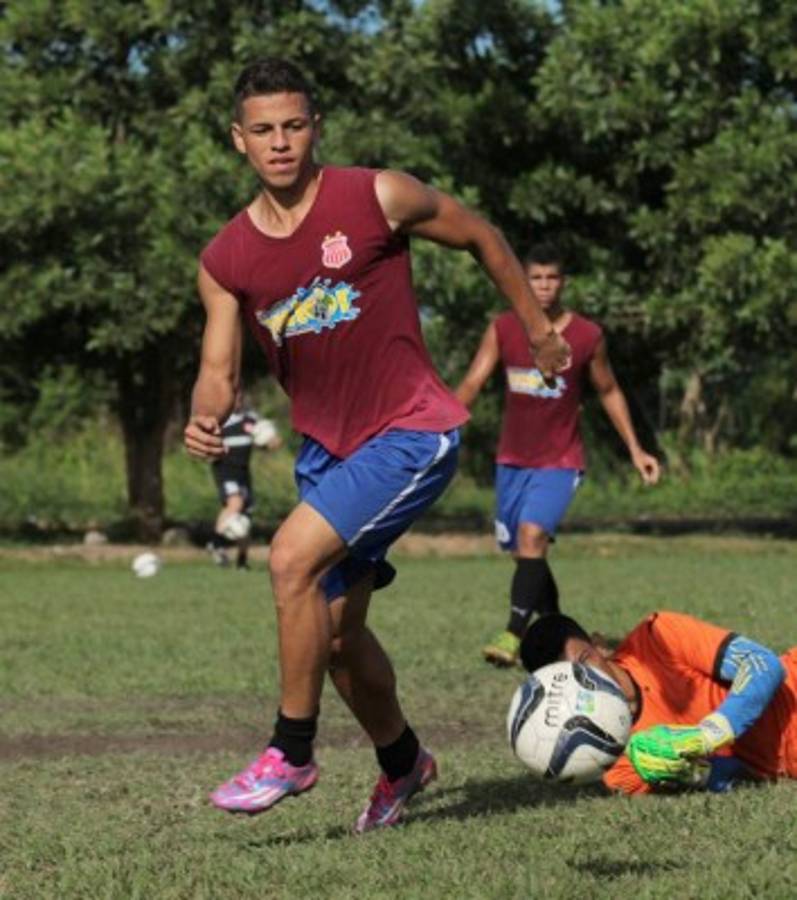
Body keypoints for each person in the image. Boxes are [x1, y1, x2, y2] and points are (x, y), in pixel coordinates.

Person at [183, 58, 570, 831]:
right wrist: (203, 416)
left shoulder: (376, 195)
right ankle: (403, 764)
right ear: (239, 140)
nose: (280, 142)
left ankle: (290, 752)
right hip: (326, 452)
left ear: (315, 126)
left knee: (290, 560)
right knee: (331, 637)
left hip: (409, 432)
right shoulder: (225, 259)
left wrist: (535, 329)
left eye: (294, 125)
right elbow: (217, 370)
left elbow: (483, 238)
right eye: (263, 130)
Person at [454, 243, 661, 668]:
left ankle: (512, 634)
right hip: (511, 460)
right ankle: (561, 631)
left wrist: (636, 449)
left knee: (532, 537)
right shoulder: (504, 329)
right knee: (526, 555)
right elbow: (473, 381)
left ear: (563, 282)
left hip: (561, 460)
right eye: (536, 278)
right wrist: (442, 424)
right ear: (523, 282)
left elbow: (608, 390)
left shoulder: (586, 336)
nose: (544, 286)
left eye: (552, 278)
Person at [519, 611, 797, 794]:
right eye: (570, 680)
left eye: (584, 664)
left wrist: (709, 734)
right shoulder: (612, 762)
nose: (586, 684)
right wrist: (691, 774)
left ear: (599, 644)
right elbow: (731, 777)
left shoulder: (658, 636)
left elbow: (764, 665)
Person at [208, 390, 282, 570]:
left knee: (245, 519)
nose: (237, 401)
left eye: (240, 397)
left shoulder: (251, 420)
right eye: (233, 398)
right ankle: (216, 543)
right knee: (235, 503)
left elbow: (273, 442)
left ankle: (242, 561)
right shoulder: (219, 422)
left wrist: (269, 441)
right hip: (225, 471)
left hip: (243, 474)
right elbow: (208, 448)